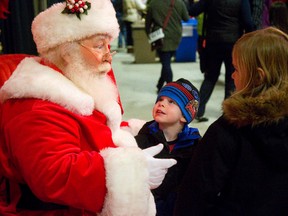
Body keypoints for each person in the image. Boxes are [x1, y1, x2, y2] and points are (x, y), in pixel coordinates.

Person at [0, 0, 177, 215]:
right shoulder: (34, 107)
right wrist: (130, 172)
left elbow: (93, 126)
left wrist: (134, 130)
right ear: (67, 51)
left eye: (108, 46)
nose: (108, 57)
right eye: (99, 46)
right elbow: (54, 174)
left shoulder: (74, 80)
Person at [174, 27, 288, 216]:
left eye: (236, 69)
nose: (232, 75)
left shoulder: (229, 129)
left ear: (258, 77)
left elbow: (195, 196)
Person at [136, 78, 201, 216]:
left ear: (184, 116)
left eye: (171, 102)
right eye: (160, 100)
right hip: (147, 204)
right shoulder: (147, 133)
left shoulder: (194, 144)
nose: (161, 104)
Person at [188, 0, 255, 122]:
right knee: (231, 78)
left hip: (213, 41)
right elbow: (248, 22)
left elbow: (192, 10)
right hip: (233, 42)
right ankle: (227, 112)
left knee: (210, 76)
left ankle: (198, 110)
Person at [145, 0, 189, 93]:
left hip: (160, 37)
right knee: (166, 61)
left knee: (166, 63)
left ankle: (171, 88)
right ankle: (160, 84)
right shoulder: (179, 2)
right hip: (175, 36)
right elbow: (186, 18)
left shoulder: (153, 3)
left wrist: (150, 35)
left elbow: (147, 23)